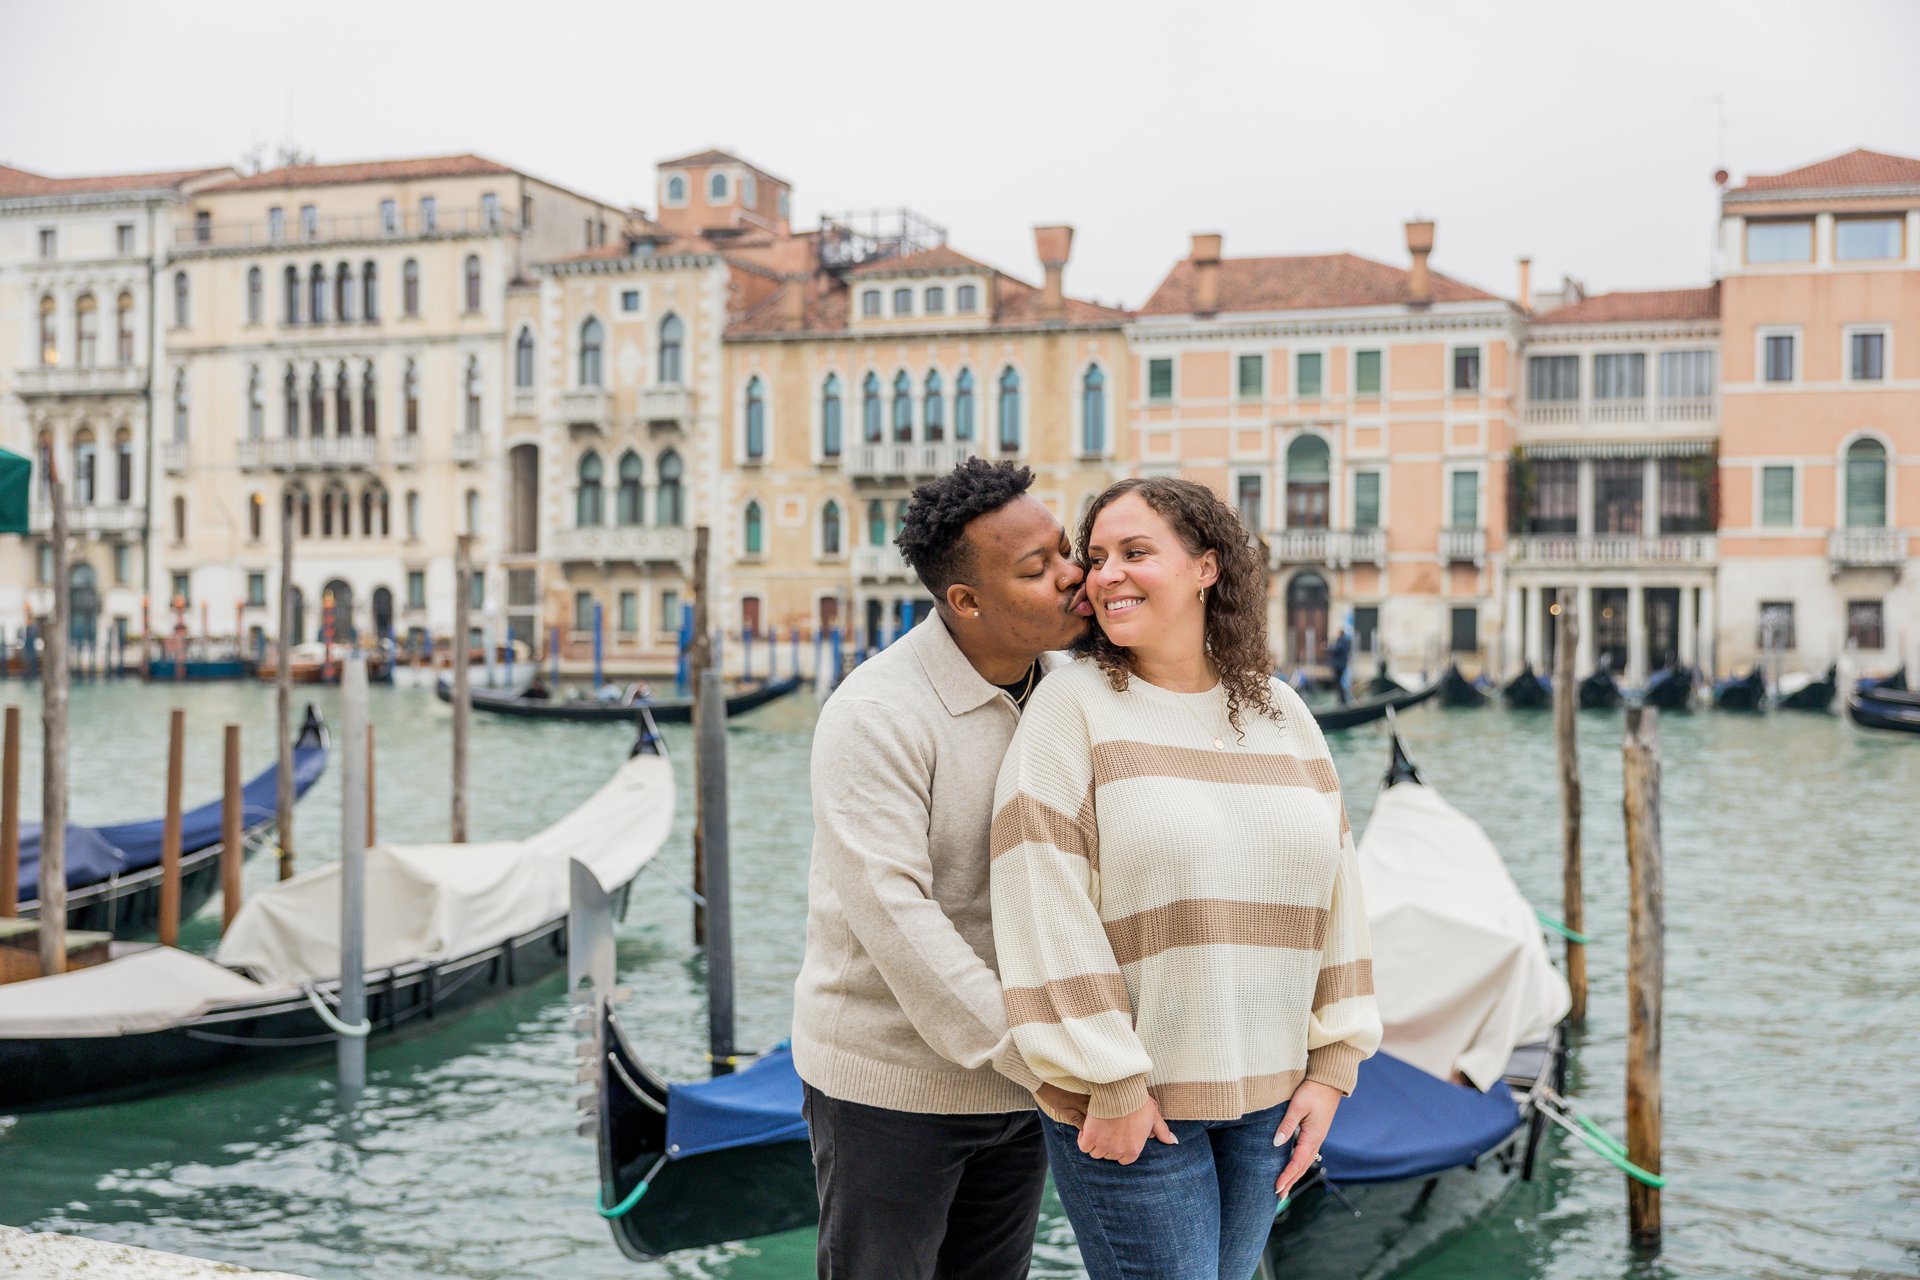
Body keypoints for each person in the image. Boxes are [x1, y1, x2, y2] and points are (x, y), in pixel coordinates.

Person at [989, 476, 1382, 1280]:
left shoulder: (1283, 713)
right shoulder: (1071, 706)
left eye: (1135, 552)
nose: (1106, 574)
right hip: (1137, 1106)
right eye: (1098, 556)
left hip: (1272, 1101)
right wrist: (1112, 1081)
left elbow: (1338, 894)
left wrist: (1333, 1068)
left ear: (1207, 568)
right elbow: (1042, 902)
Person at [793, 458, 1094, 1280]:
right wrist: (1040, 1059)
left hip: (1024, 1081)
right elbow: (898, 919)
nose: (1071, 575)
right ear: (966, 601)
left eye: (1065, 551)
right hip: (890, 1087)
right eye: (1035, 568)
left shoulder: (1071, 692)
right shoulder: (875, 714)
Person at [1326, 627, 1352, 704]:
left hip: (1339, 666)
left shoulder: (1341, 641)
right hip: (1341, 665)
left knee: (1337, 682)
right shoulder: (1344, 641)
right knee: (1337, 682)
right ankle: (1341, 699)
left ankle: (1342, 700)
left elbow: (1336, 649)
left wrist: (1327, 648)